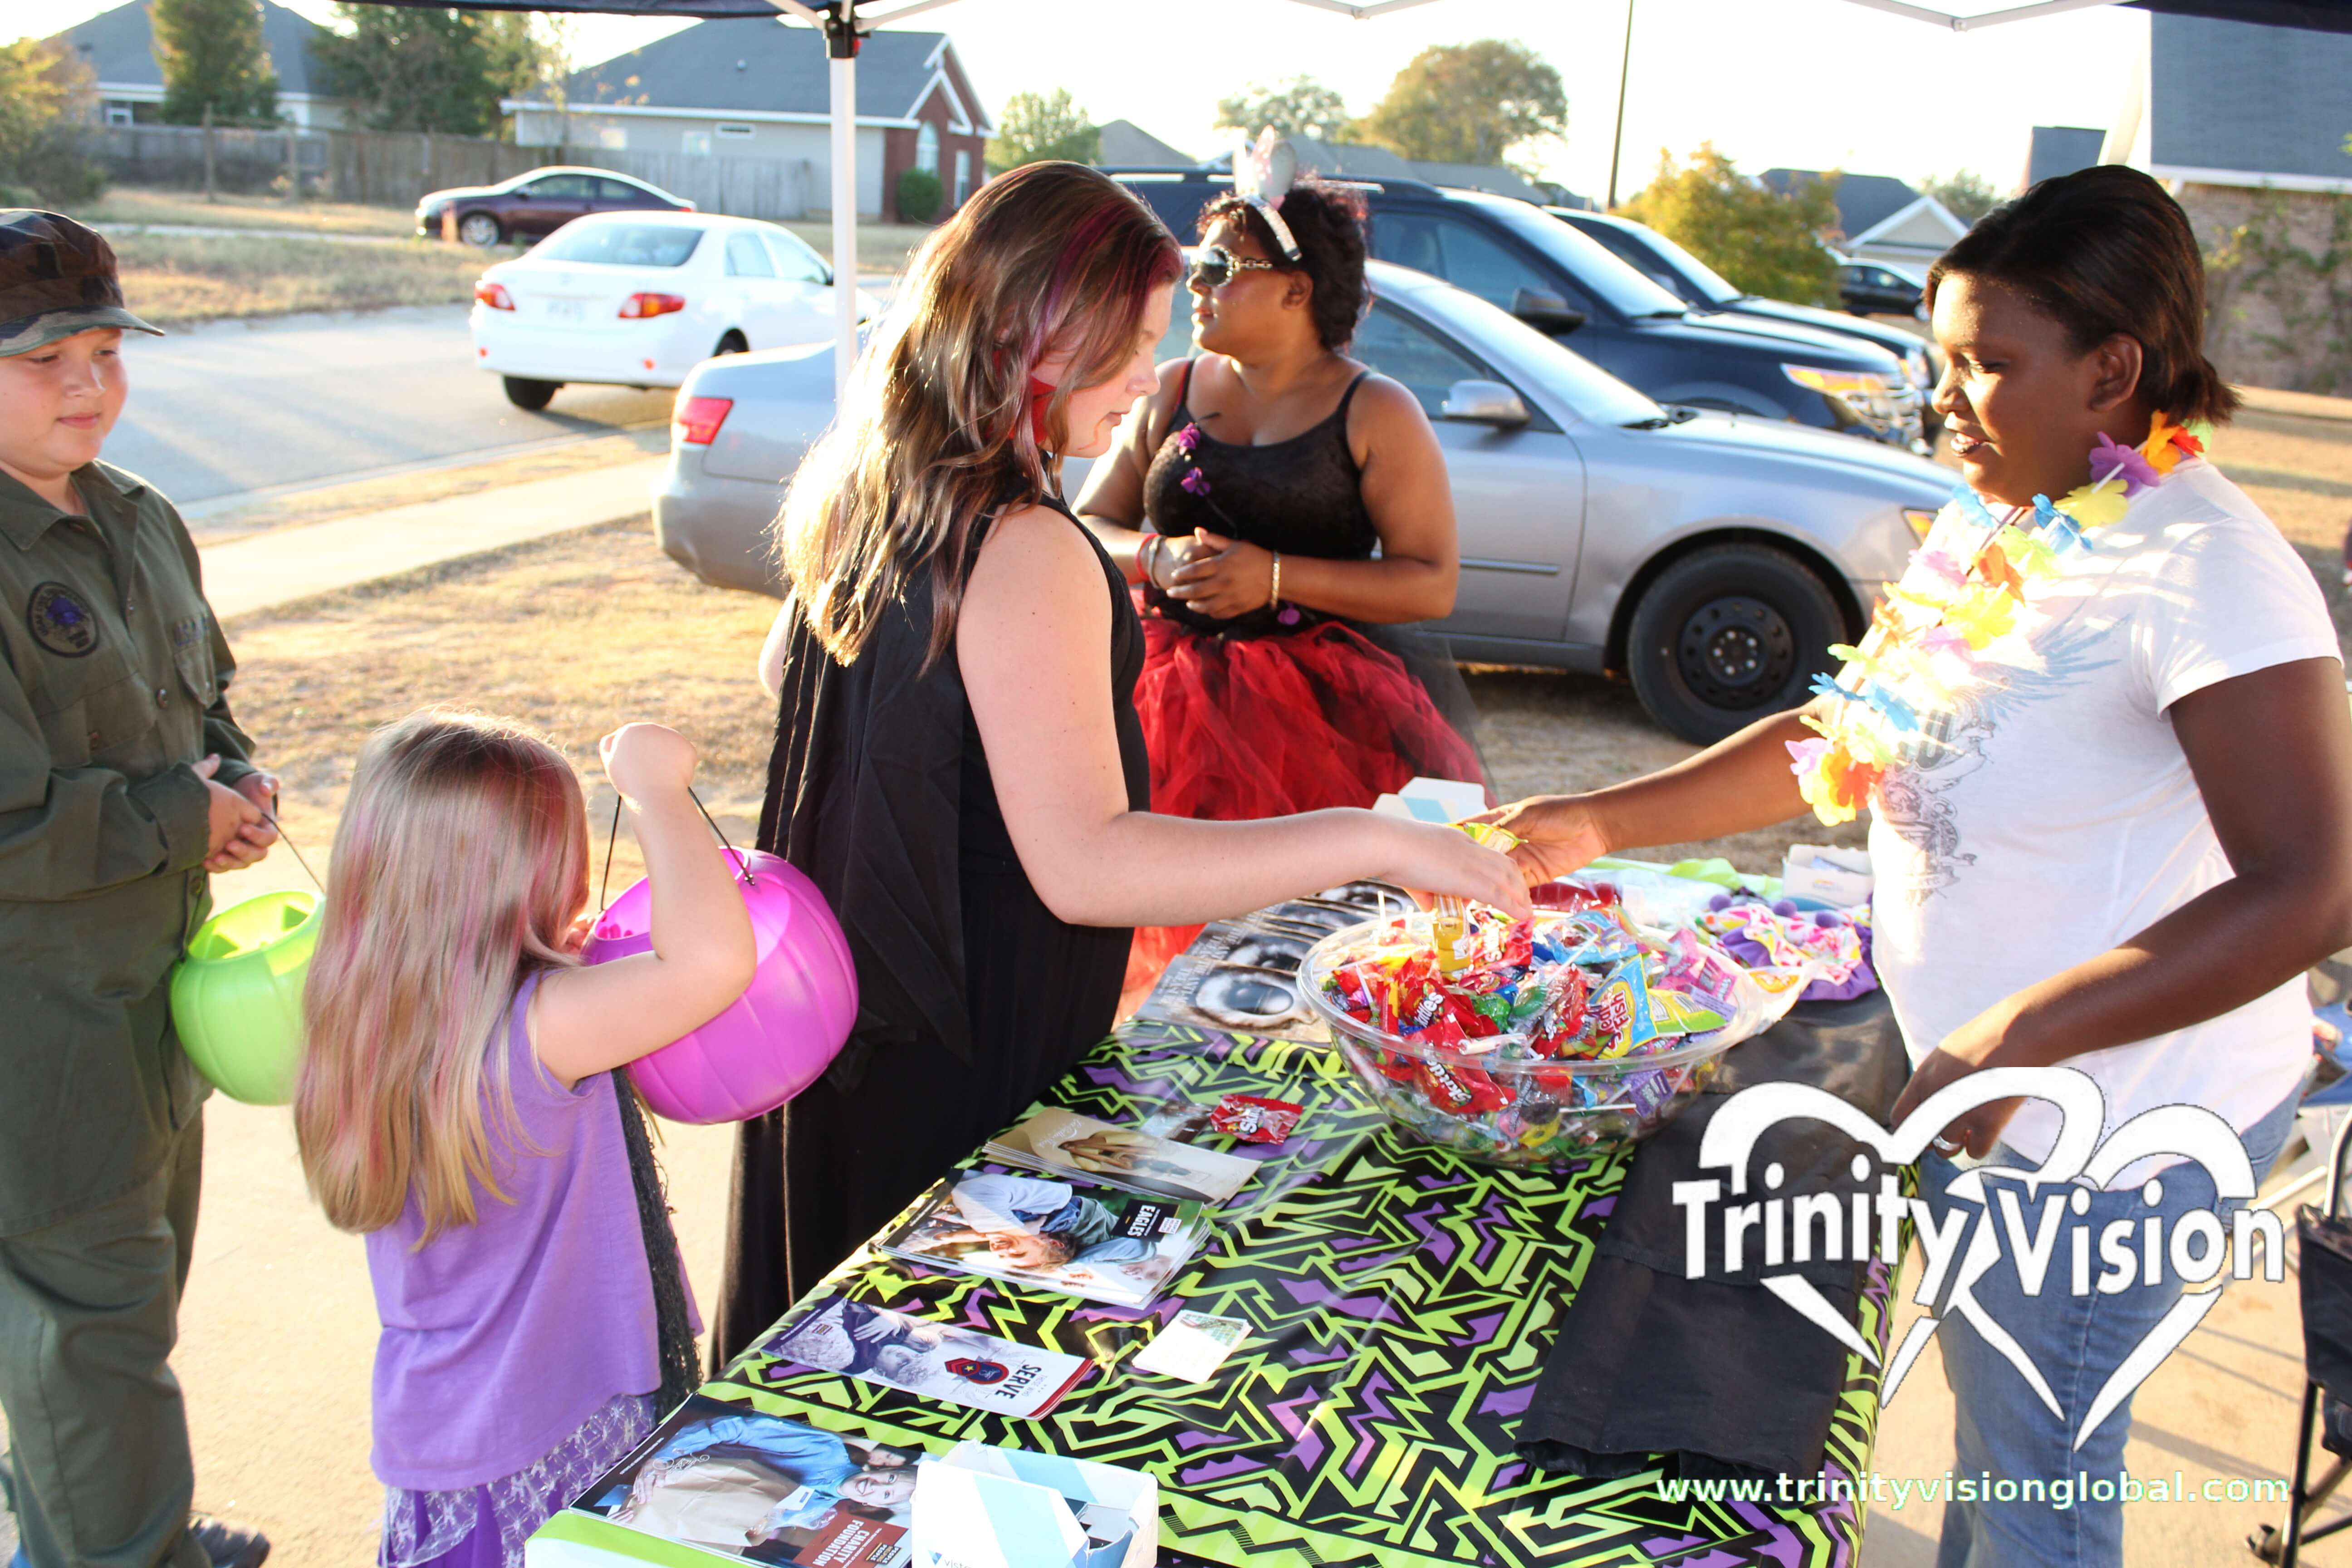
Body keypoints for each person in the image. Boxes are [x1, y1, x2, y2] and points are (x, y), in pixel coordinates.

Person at [1480, 165, 2352, 1568]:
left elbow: (2312, 887)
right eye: (1945, 358)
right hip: (1996, 1100)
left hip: (2112, 1133)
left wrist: (2021, 1033)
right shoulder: (2004, 512)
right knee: (2002, 1446)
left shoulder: (2214, 572)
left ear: (2113, 369)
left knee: (2038, 1479)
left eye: (1986, 364)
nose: (1942, 396)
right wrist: (1591, 824)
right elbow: (1847, 735)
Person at [720, 162, 1526, 1359]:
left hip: (854, 1021)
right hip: (965, 1033)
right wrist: (1378, 839)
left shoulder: (878, 490)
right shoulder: (1028, 541)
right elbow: (1088, 866)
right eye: (1136, 341)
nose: (1157, 373)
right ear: (1044, 339)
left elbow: (796, 680)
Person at [294, 712, 756, 1568]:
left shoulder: (362, 1016)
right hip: (557, 1430)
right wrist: (657, 792)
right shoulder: (542, 1027)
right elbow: (715, 964)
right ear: (537, 869)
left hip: (448, 1445)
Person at [0, 211, 278, 1568]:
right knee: (88, 1322)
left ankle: (96, 1525)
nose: (86, 384)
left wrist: (236, 782)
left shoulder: (140, 518)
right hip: (36, 1032)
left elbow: (198, 709)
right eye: (42, 358)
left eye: (104, 350)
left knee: (129, 1301)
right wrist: (185, 813)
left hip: (153, 1005)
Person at [1075, 169, 1487, 982]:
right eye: (1199, 262)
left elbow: (1431, 581)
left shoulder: (1376, 409)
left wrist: (1274, 577)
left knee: (1303, 941)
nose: (1196, 282)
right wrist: (1155, 557)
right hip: (1159, 694)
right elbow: (1088, 526)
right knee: (1155, 932)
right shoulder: (1173, 389)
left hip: (1327, 720)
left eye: (1222, 269)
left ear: (1297, 291)